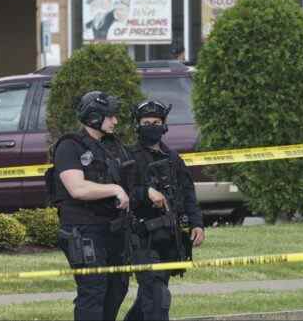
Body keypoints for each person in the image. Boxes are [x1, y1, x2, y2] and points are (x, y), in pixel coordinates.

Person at [49, 91, 133, 321]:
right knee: (93, 290)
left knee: (118, 287)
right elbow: (77, 188)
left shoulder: (111, 146)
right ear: (95, 117)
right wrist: (114, 190)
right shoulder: (69, 146)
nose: (115, 121)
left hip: (112, 229)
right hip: (83, 229)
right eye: (111, 116)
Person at [125, 100, 205, 321]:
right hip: (141, 237)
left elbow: (188, 194)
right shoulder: (128, 157)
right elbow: (120, 195)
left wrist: (197, 224)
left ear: (164, 125)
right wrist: (146, 192)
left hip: (170, 237)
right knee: (157, 296)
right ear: (138, 125)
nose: (152, 126)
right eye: (146, 122)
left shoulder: (173, 158)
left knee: (149, 298)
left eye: (156, 122)